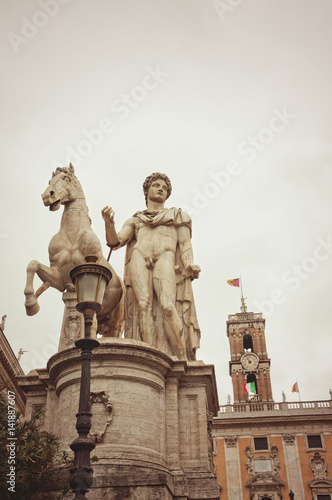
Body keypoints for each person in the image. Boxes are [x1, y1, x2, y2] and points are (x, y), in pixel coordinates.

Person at [101, 173, 201, 359]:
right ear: (147, 191)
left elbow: (185, 244)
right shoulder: (136, 220)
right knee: (143, 306)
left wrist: (189, 264)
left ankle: (182, 357)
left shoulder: (178, 216)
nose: (161, 188)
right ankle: (150, 358)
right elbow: (115, 242)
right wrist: (109, 224)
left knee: (168, 306)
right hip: (140, 256)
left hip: (165, 256)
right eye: (156, 185)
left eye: (164, 187)